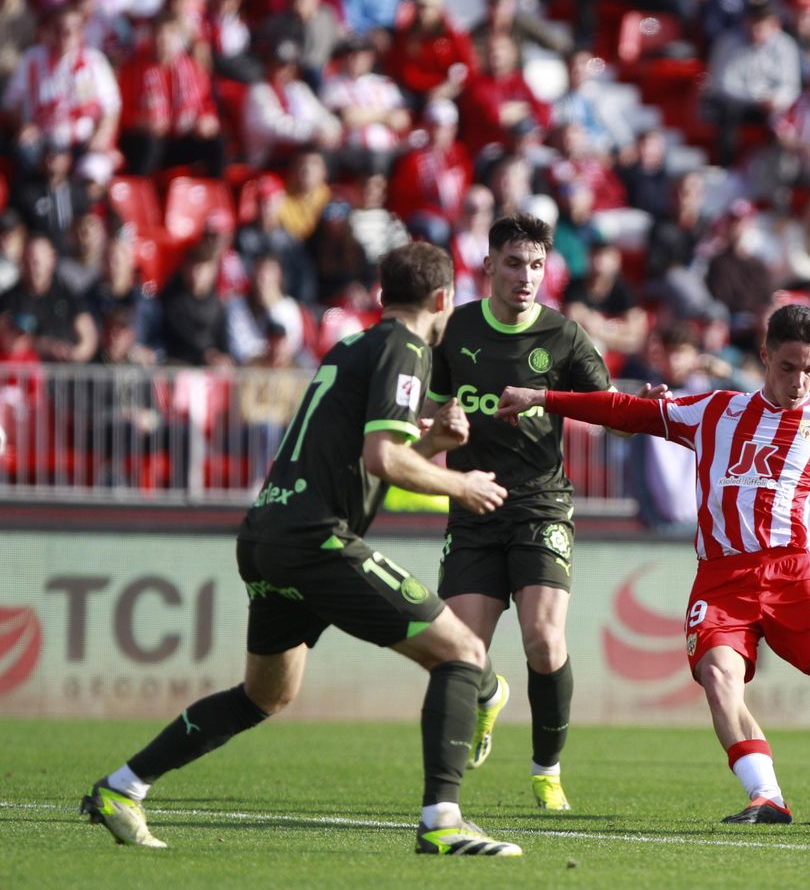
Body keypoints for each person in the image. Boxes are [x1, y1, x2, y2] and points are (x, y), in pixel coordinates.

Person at [81, 242, 523, 855]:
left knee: (265, 695)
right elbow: (382, 459)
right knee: (463, 652)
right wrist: (462, 481)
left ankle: (122, 788)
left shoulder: (351, 346)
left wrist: (432, 445)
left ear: (379, 294)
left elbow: (368, 465)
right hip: (316, 539)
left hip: (267, 534)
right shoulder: (408, 347)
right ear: (445, 300)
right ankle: (443, 820)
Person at [493, 304, 810, 824]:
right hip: (720, 581)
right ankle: (767, 797)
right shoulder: (715, 411)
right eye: (788, 367)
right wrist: (541, 397)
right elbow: (627, 410)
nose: (799, 380)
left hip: (793, 575)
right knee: (720, 678)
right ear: (764, 356)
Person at [422, 215, 641, 811]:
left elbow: (611, 413)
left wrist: (553, 398)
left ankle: (547, 771)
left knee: (544, 641)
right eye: (515, 263)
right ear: (489, 265)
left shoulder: (564, 337)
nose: (526, 277)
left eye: (537, 265)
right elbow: (433, 411)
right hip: (471, 503)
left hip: (541, 502)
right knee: (458, 652)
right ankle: (489, 695)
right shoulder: (457, 328)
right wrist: (439, 430)